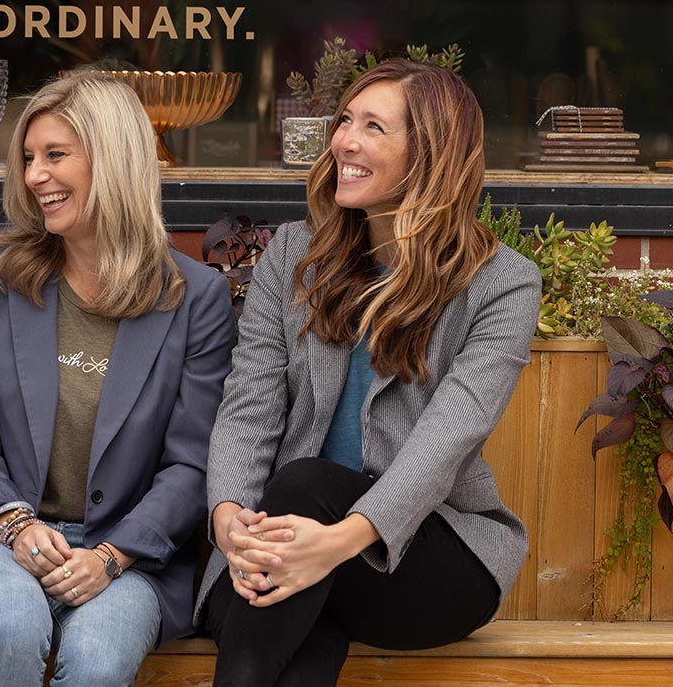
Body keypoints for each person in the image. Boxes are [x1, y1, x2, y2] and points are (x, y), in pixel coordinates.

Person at [201, 58, 541, 685]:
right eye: (345, 120)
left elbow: (446, 441)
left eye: (374, 127)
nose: (344, 141)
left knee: (303, 495)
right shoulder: (294, 255)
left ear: (430, 155)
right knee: (297, 618)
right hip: (283, 541)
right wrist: (229, 518)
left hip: (428, 557)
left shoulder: (501, 284)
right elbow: (249, 404)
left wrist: (332, 545)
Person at [0, 73, 236, 687]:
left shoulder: (196, 298)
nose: (34, 176)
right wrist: (16, 522)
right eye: (29, 158)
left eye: (56, 155)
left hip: (133, 555)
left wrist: (111, 557)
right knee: (11, 624)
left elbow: (194, 464)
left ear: (112, 161)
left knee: (98, 659)